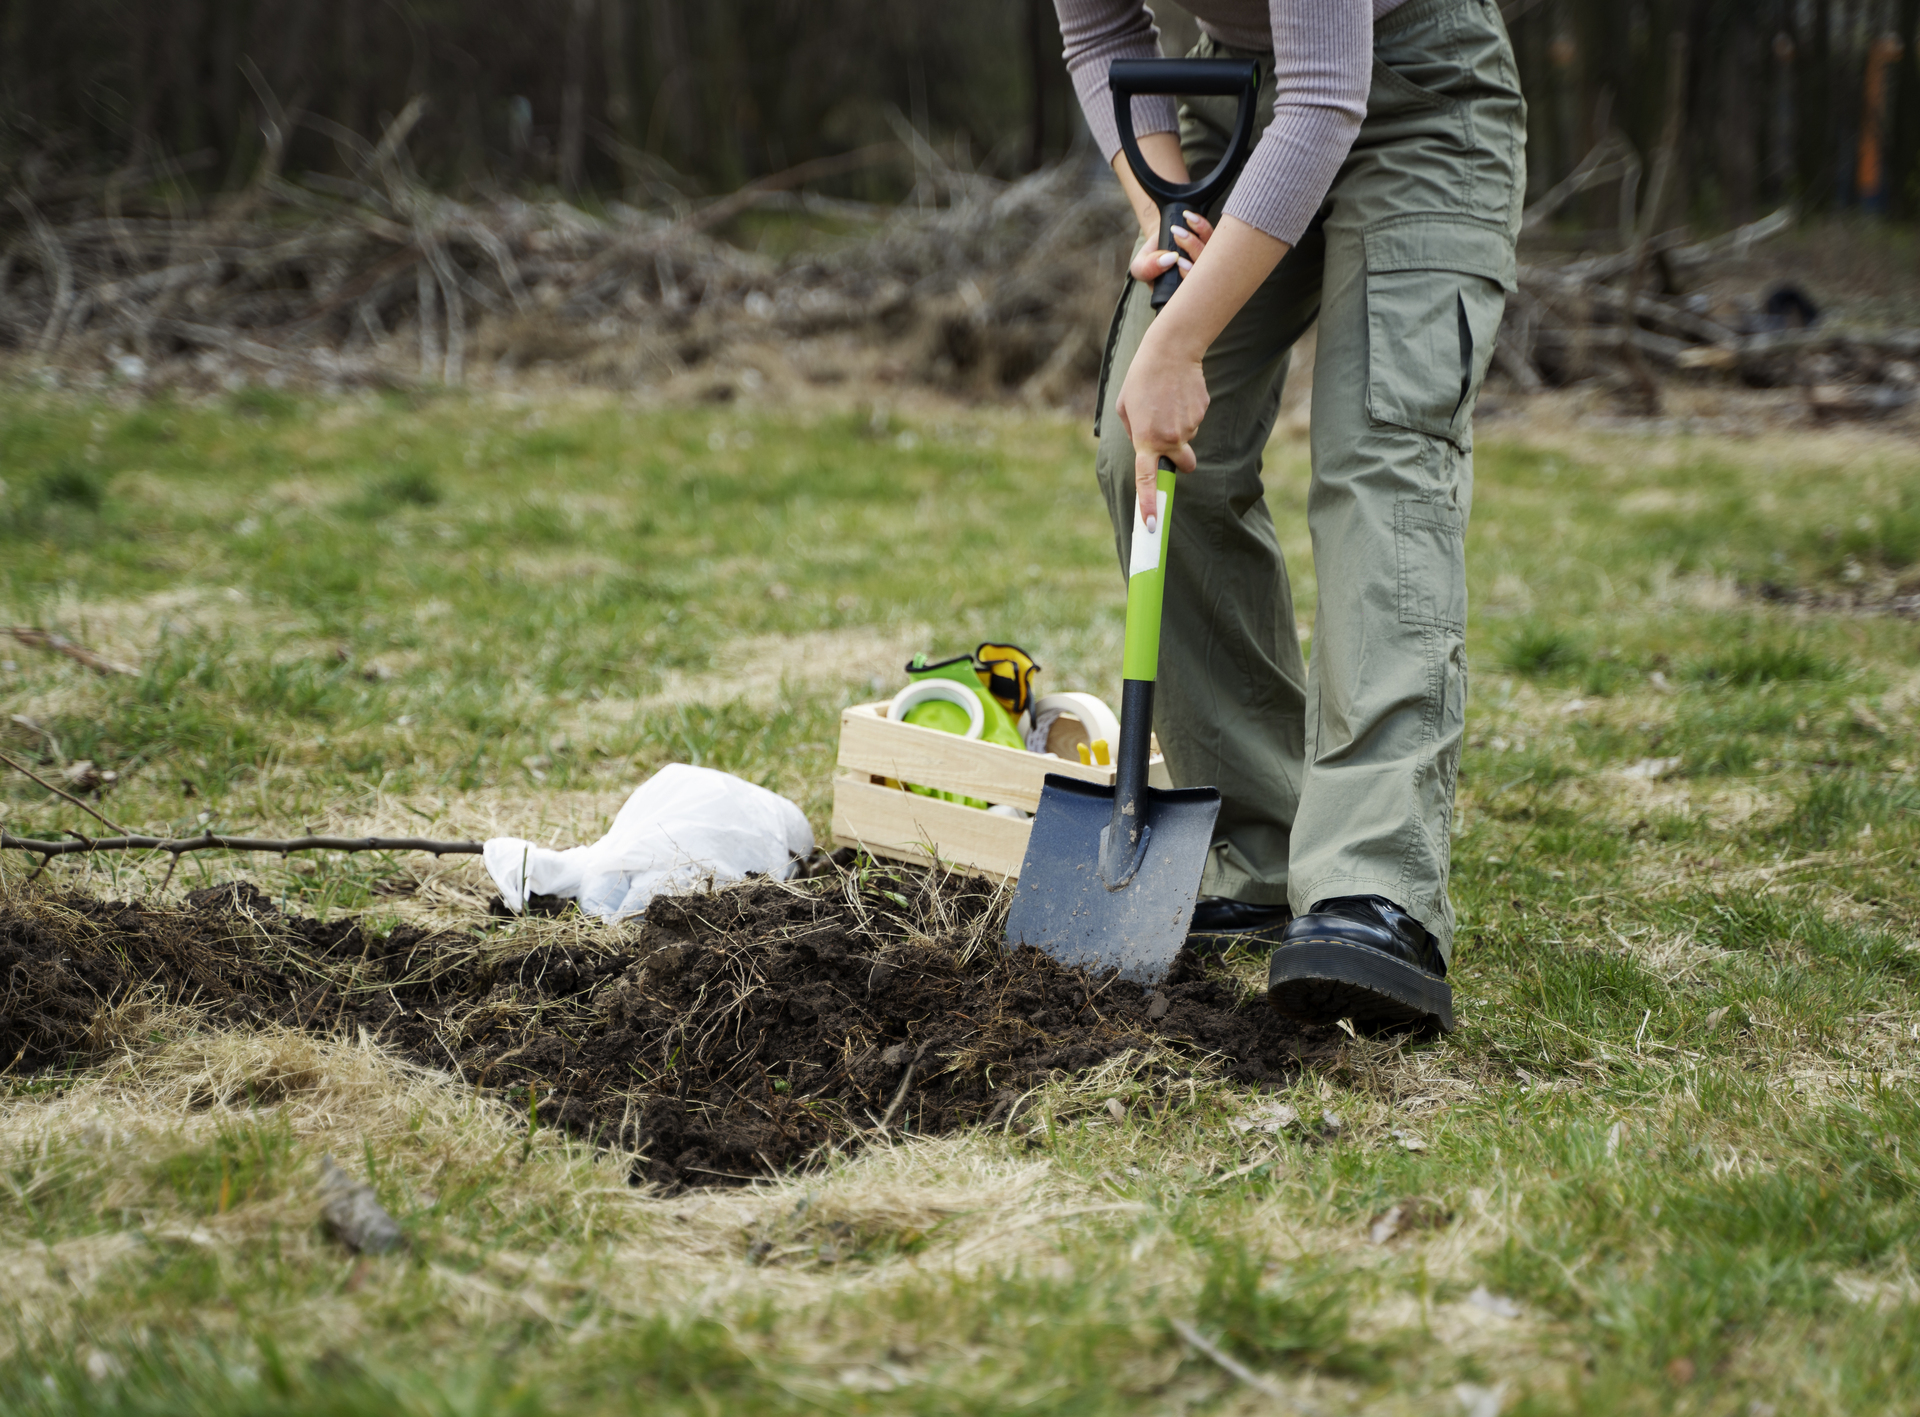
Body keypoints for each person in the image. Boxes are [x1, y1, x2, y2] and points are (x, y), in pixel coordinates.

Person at [1053, 0, 1525, 1031]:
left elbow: (1328, 98)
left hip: (1419, 103)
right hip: (1248, 91)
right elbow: (1100, 37)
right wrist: (1158, 211)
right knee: (1150, 456)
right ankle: (1256, 838)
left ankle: (1374, 882)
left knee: (1382, 452)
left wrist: (1177, 344)